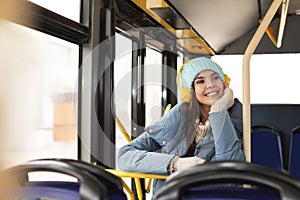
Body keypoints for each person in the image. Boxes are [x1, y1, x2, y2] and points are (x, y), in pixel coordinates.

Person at [117, 57, 245, 195]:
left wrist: (218, 111)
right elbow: (125, 156)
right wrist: (175, 164)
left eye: (215, 78)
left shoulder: (239, 118)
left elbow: (231, 172)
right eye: (201, 81)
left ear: (224, 83)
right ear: (191, 91)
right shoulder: (178, 116)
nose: (210, 85)